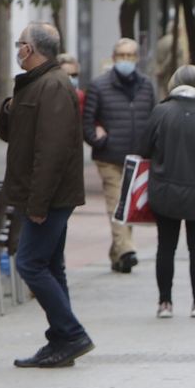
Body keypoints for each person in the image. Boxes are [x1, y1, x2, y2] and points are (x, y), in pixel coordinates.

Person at [0, 22, 93, 368]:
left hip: (50, 197)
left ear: (32, 49)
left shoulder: (53, 86)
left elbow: (51, 152)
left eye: (21, 43)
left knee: (29, 263)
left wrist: (38, 204)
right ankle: (61, 341)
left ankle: (71, 333)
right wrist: (9, 108)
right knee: (51, 265)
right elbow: (15, 136)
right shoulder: (33, 84)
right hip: (41, 195)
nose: (17, 48)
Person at [139, 64, 195, 319]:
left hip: (164, 189)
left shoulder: (160, 112)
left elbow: (144, 147)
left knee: (165, 246)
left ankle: (164, 303)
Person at [82, 38, 156, 273]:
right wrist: (99, 140)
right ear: (114, 59)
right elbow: (87, 122)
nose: (126, 60)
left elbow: (154, 118)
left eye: (130, 56)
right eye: (122, 56)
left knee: (129, 207)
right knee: (116, 204)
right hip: (110, 157)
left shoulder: (146, 85)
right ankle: (127, 250)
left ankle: (118, 254)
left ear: (137, 59)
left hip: (137, 157)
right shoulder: (99, 85)